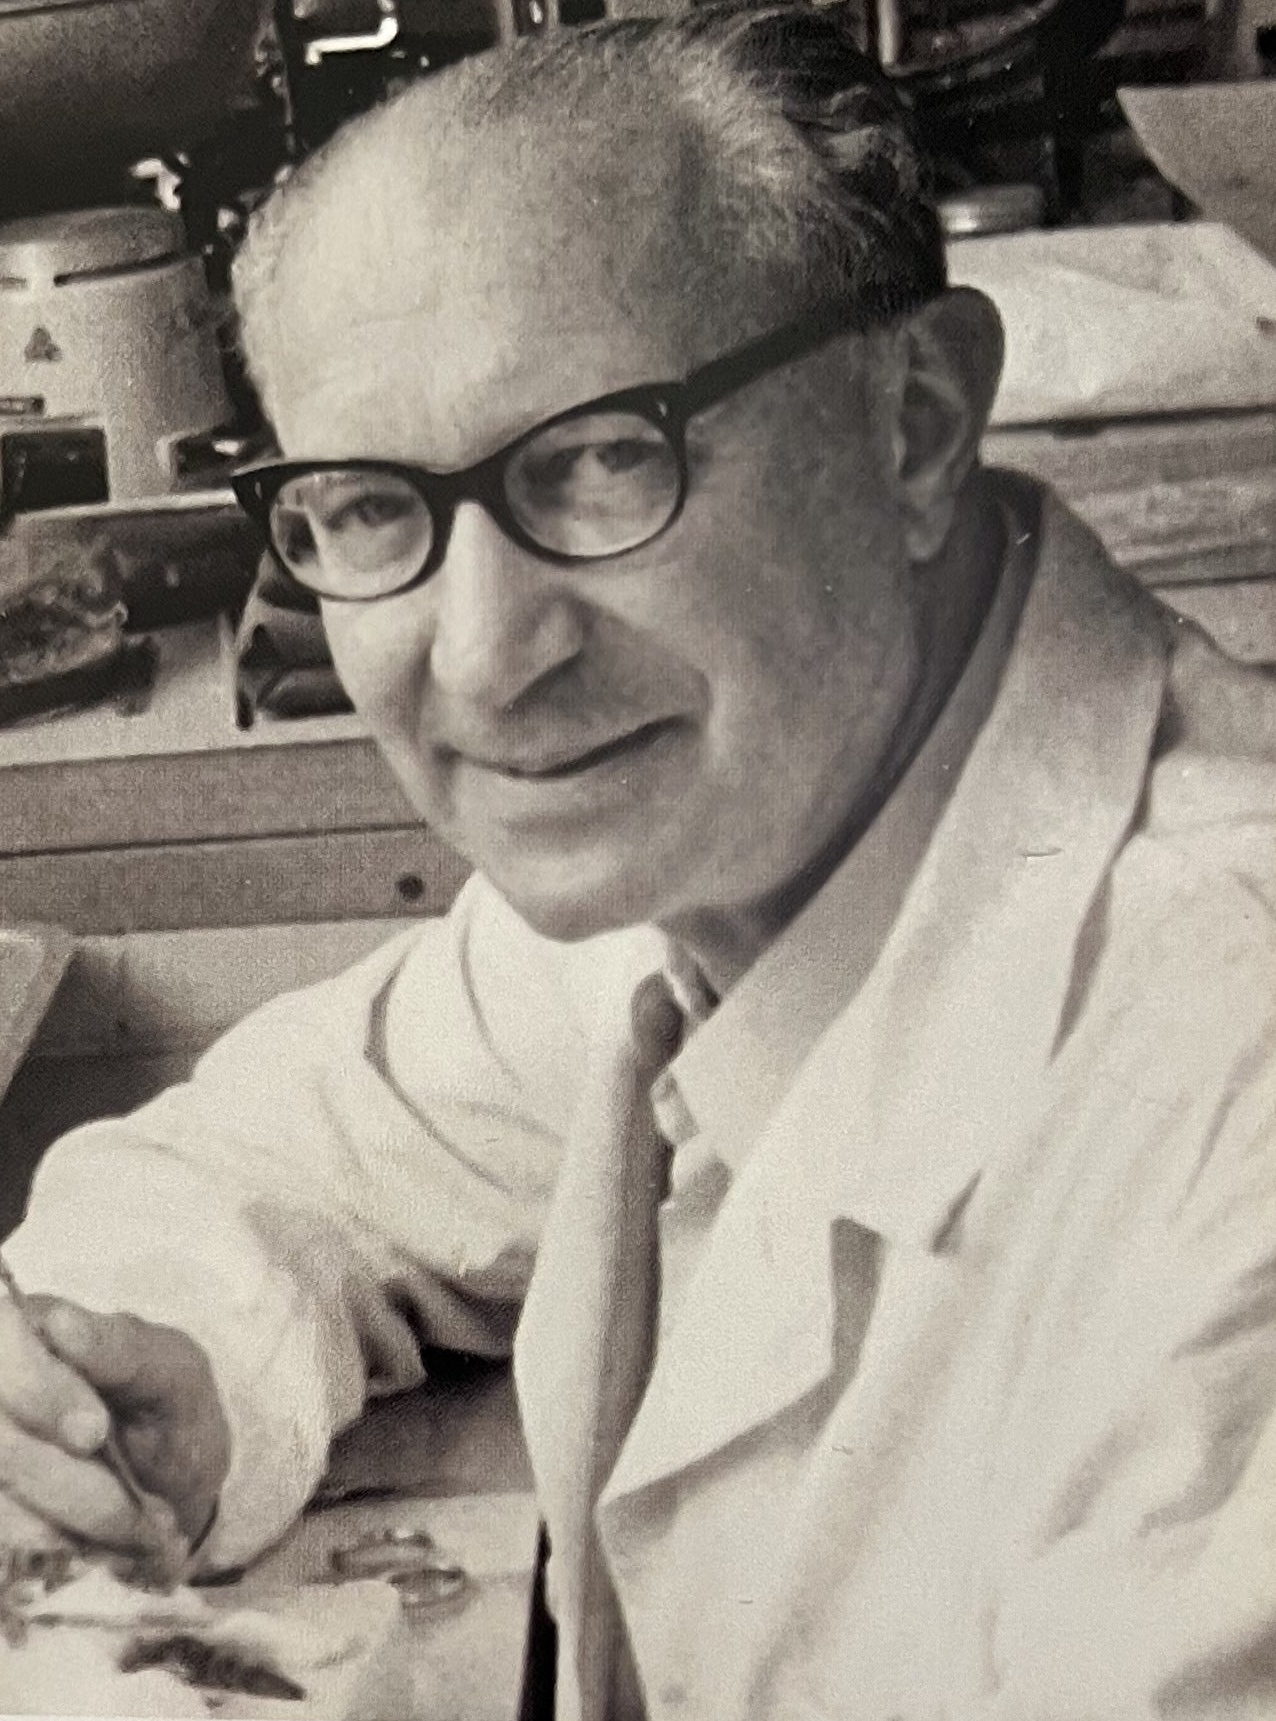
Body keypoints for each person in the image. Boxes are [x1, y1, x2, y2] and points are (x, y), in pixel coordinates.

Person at [4, 5, 1276, 1716]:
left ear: (915, 422)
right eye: (370, 507)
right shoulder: (728, 847)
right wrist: (160, 1374)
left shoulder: (1225, 1103)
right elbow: (289, 1144)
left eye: (604, 462)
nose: (482, 657)